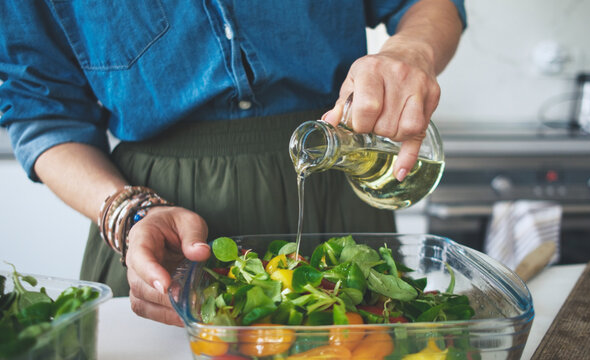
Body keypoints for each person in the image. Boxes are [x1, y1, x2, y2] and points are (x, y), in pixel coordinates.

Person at [0, 0, 466, 326]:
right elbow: (40, 111)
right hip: (158, 218)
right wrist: (129, 213)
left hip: (333, 175)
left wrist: (410, 51)